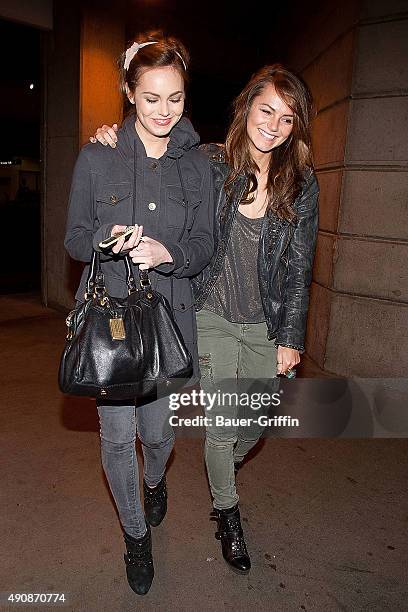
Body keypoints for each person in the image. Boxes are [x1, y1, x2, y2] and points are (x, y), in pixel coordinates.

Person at [93, 64, 319, 575]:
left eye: (287, 118)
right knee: (221, 424)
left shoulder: (301, 185)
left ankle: (224, 472)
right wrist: (115, 134)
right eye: (266, 111)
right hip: (210, 312)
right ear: (247, 108)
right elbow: (163, 137)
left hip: (265, 322)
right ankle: (228, 512)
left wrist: (291, 337)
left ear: (296, 126)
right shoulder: (210, 163)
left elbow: (300, 266)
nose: (274, 125)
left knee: (253, 424)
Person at [64, 32, 214, 596]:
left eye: (174, 98)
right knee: (115, 438)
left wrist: (166, 252)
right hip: (112, 321)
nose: (163, 111)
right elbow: (76, 239)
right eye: (150, 98)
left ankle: (156, 481)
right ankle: (135, 537)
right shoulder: (97, 155)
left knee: (159, 438)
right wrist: (109, 237)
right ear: (129, 92)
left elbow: (204, 246)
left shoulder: (197, 167)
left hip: (170, 321)